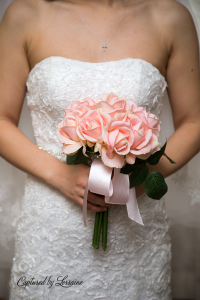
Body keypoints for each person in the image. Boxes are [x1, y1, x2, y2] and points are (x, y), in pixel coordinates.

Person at [0, 0, 200, 298]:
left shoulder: (169, 16)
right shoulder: (26, 13)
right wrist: (60, 174)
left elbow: (194, 122)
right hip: (51, 229)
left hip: (135, 231)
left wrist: (139, 181)